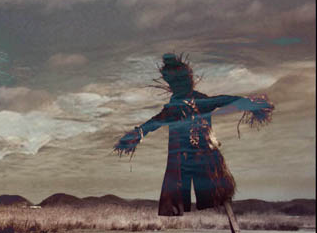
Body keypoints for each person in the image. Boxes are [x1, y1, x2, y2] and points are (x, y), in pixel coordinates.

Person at [114, 53, 273, 216]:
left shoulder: (199, 101)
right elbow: (155, 122)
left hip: (206, 155)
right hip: (183, 158)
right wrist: (138, 133)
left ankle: (230, 218)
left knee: (218, 192)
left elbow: (222, 100)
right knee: (184, 190)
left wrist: (248, 103)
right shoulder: (173, 108)